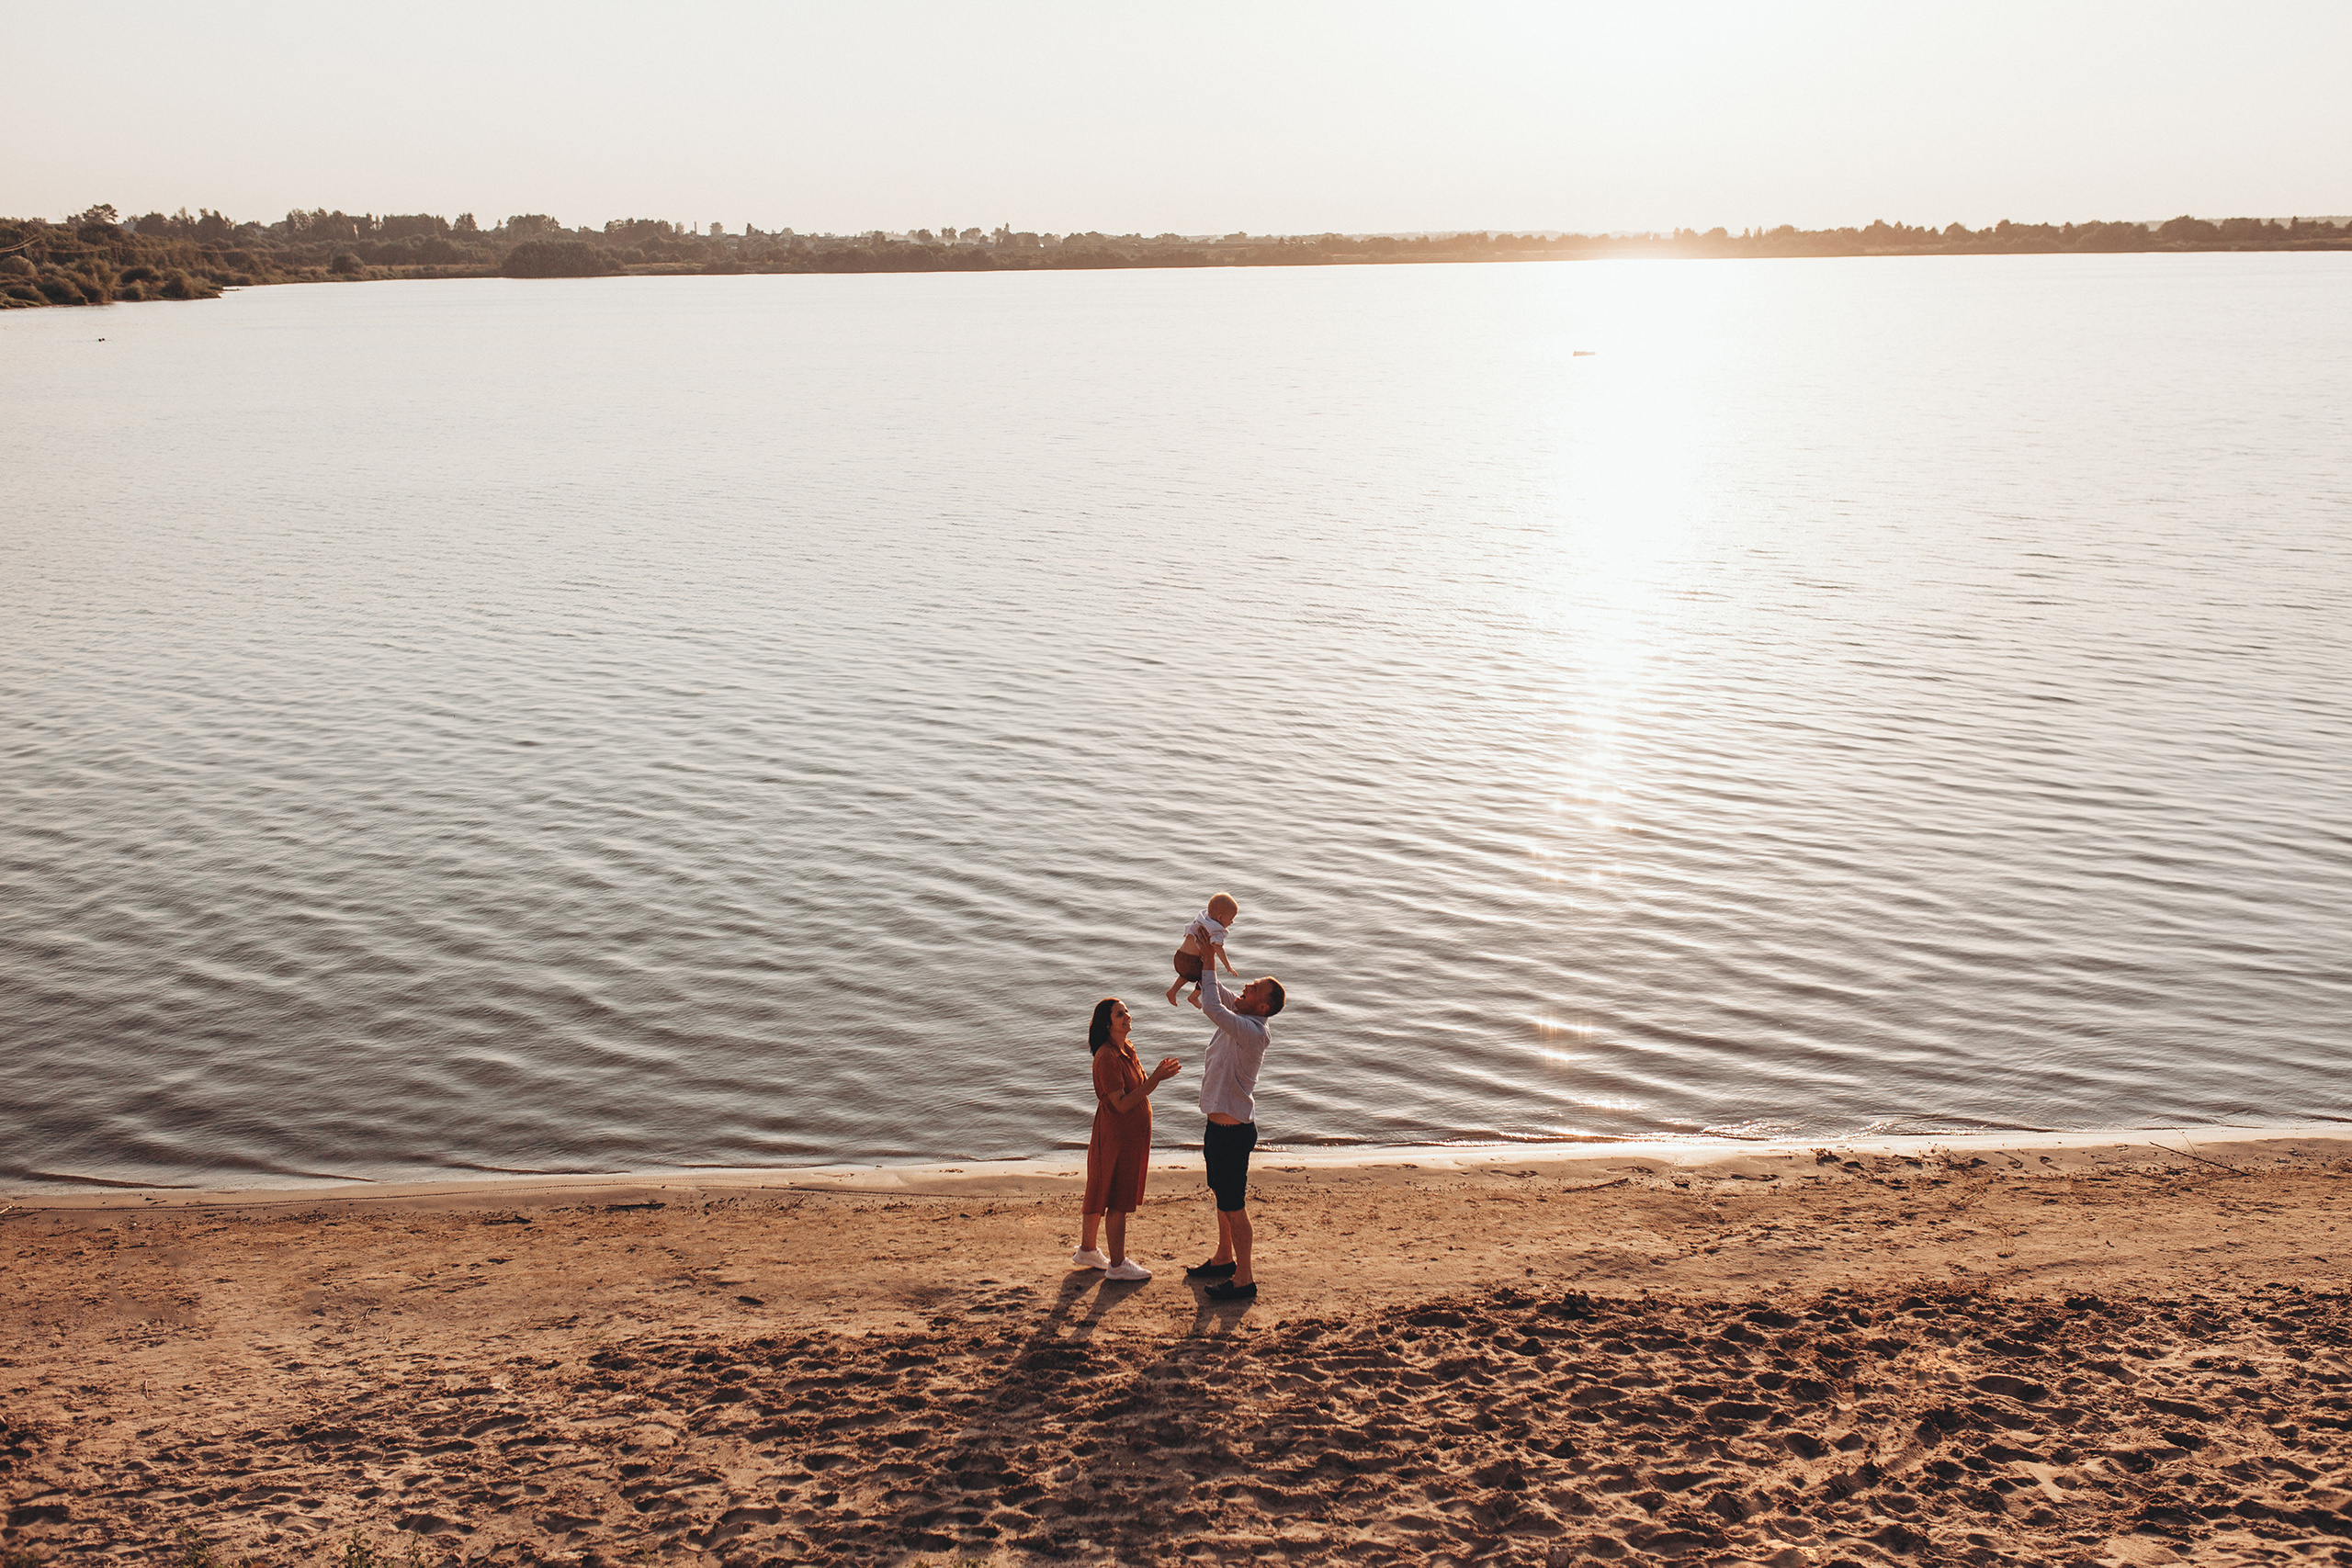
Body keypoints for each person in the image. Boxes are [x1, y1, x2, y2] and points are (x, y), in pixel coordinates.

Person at [1185, 968, 1284, 1301]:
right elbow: (1214, 991)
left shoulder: (1251, 1030)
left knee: (1234, 1206)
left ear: (1262, 1008)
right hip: (1218, 1128)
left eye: (1254, 988)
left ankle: (1244, 1279)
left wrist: (1212, 958)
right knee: (1222, 1199)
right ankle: (1224, 1258)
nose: (1245, 987)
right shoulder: (1242, 1013)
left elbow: (1213, 1007)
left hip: (1233, 1134)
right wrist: (1203, 954)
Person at [1071, 998, 1182, 1281]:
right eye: (1120, 1014)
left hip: (1128, 1135)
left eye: (1127, 1011)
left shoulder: (1126, 1049)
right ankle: (1118, 1264)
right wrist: (1155, 1079)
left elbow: (1138, 1087)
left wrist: (1154, 1078)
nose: (1127, 1016)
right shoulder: (1107, 1057)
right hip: (1116, 1134)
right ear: (1108, 1024)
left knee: (1101, 1187)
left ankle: (1087, 1249)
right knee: (1116, 1196)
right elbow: (1121, 1103)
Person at [1166, 892, 1240, 1007]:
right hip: (1192, 962)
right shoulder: (1216, 930)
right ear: (1220, 917)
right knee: (1207, 978)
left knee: (1185, 975)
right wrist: (1228, 966)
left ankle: (1173, 991)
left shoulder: (1202, 919)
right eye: (1230, 919)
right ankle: (1193, 997)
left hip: (1179, 957)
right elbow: (1218, 948)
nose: (1232, 922)